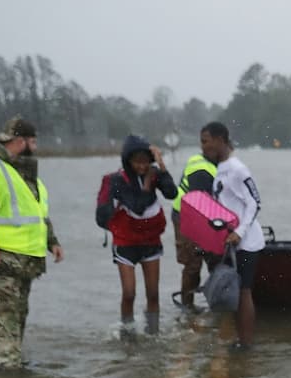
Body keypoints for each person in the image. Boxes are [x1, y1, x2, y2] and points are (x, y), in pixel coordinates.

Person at [0, 116, 64, 370]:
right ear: (19, 141)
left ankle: (3, 374)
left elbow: (38, 213)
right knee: (1, 317)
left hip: (22, 259)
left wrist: (52, 241)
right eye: (33, 141)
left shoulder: (24, 174)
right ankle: (7, 372)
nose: (36, 147)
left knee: (15, 316)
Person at [95, 134, 177, 334]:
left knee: (153, 294)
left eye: (146, 162)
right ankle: (128, 333)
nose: (142, 167)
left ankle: (153, 333)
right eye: (137, 162)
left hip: (150, 241)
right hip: (126, 242)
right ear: (128, 161)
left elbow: (172, 193)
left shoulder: (154, 173)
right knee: (129, 293)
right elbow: (137, 207)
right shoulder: (115, 180)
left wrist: (161, 166)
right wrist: (148, 185)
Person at [200, 122, 264, 349]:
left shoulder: (238, 169)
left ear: (220, 140)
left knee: (244, 291)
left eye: (206, 141)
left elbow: (254, 203)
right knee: (235, 292)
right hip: (231, 244)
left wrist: (239, 232)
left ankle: (246, 345)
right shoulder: (221, 169)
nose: (203, 147)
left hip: (247, 243)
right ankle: (238, 340)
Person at [168, 125, 219, 311]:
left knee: (216, 261)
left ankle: (215, 301)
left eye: (208, 141)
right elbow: (201, 200)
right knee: (193, 263)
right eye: (203, 142)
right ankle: (187, 306)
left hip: (207, 216)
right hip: (186, 216)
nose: (205, 146)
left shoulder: (223, 164)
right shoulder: (199, 165)